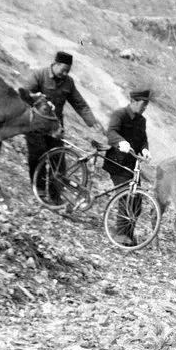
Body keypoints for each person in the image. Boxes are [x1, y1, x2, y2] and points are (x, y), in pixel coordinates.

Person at [24, 51, 106, 202]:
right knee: (37, 156)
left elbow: (79, 104)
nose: (65, 73)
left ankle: (55, 196)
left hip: (55, 127)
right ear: (55, 64)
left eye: (68, 70)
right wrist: (36, 100)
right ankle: (39, 191)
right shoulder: (39, 75)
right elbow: (25, 94)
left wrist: (92, 121)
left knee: (58, 160)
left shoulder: (68, 82)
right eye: (64, 69)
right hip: (36, 125)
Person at [104, 88, 153, 246]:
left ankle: (129, 235)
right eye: (143, 104)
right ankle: (120, 235)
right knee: (125, 196)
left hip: (132, 166)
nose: (145, 107)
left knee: (137, 200)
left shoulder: (141, 120)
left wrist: (145, 149)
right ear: (133, 101)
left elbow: (143, 139)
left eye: (146, 104)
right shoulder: (119, 114)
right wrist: (120, 142)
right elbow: (111, 133)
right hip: (117, 163)